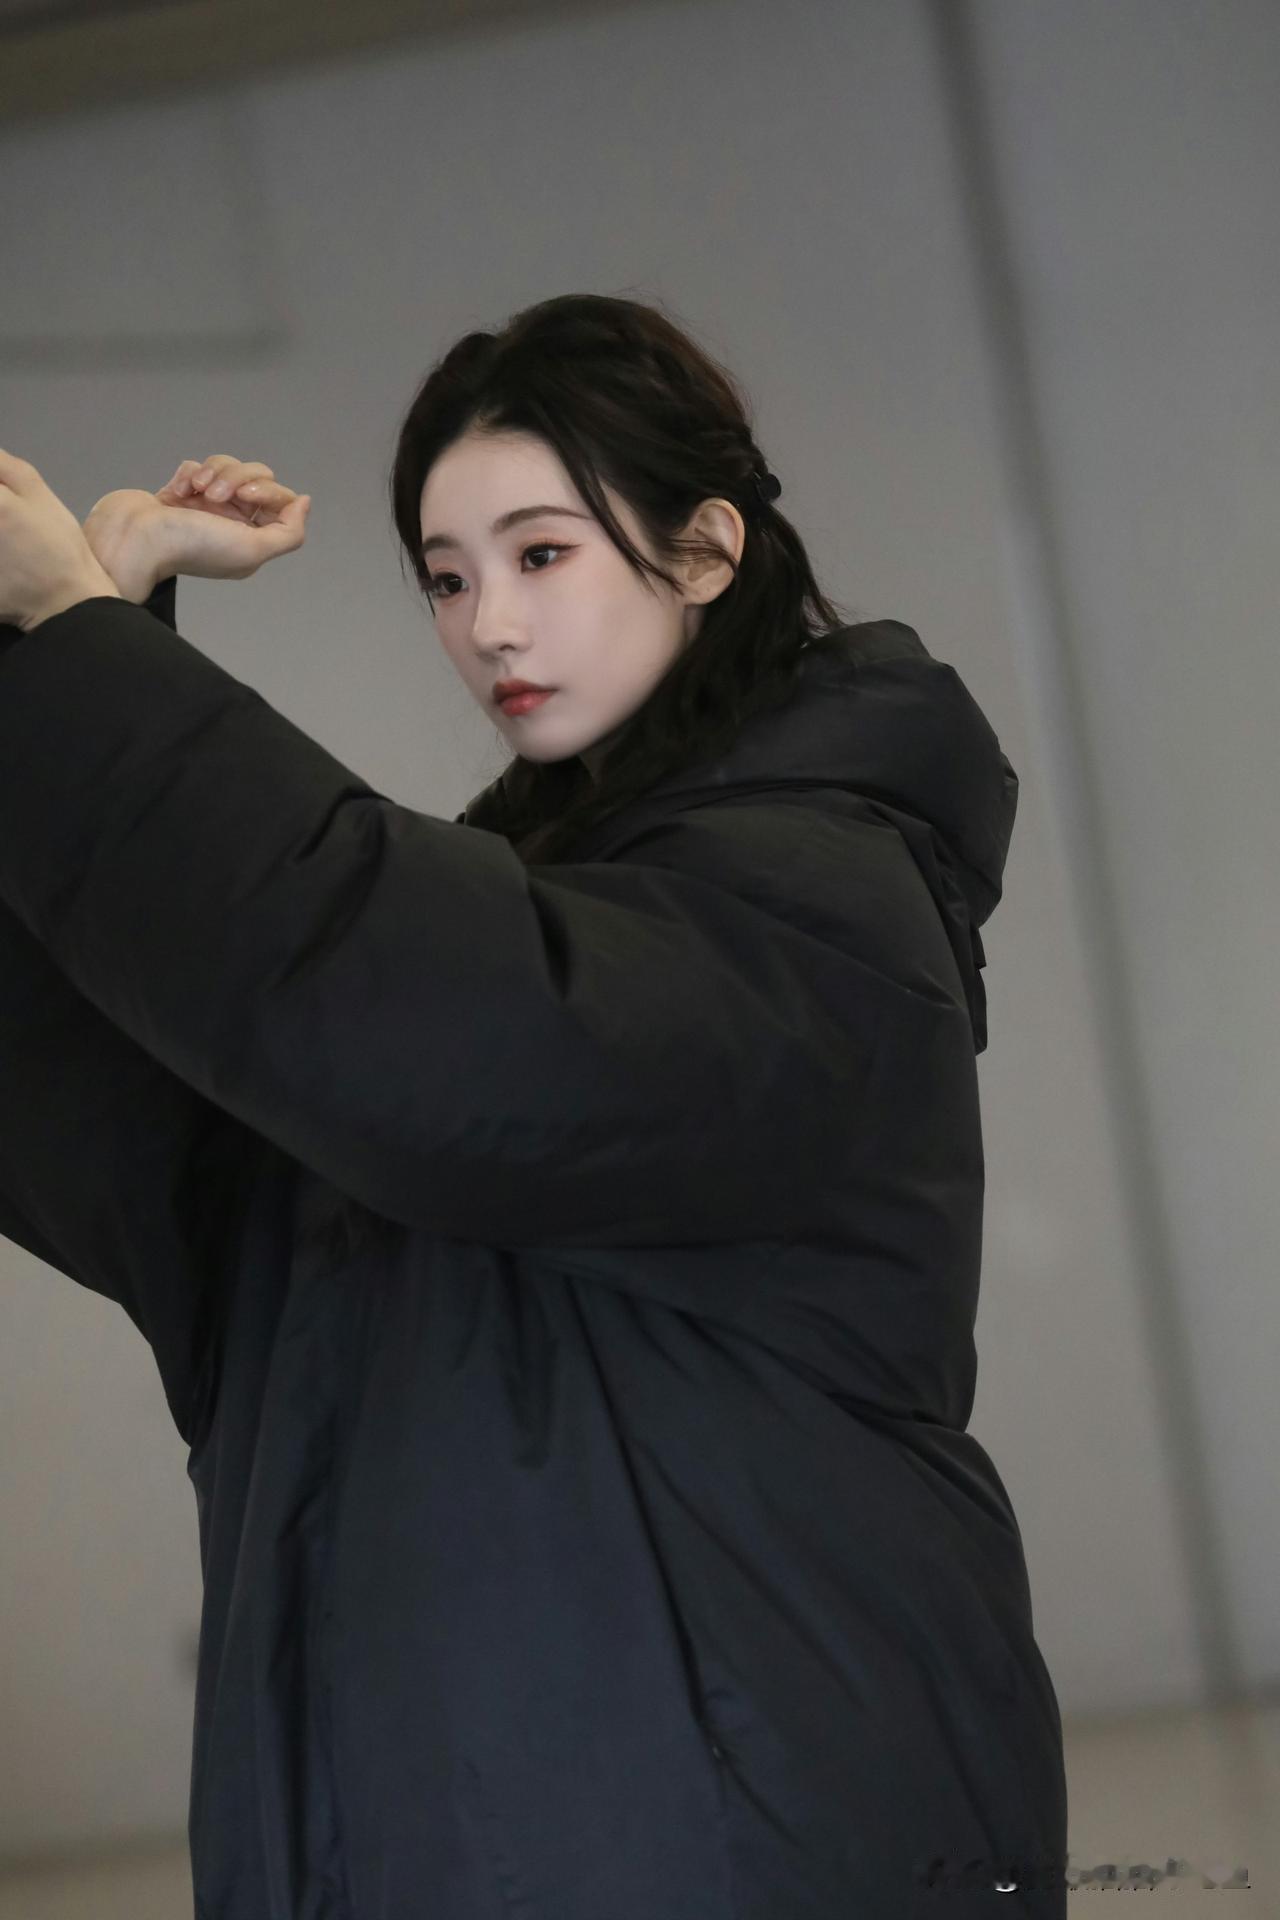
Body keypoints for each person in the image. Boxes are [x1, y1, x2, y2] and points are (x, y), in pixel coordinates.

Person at [0, 292, 1067, 1915]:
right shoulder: (528, 929)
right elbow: (164, 1137)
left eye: (542, 553)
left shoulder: (816, 901)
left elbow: (403, 1013)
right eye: (446, 577)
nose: (489, 623)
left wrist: (89, 653)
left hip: (729, 1840)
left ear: (703, 551)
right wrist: (64, 653)